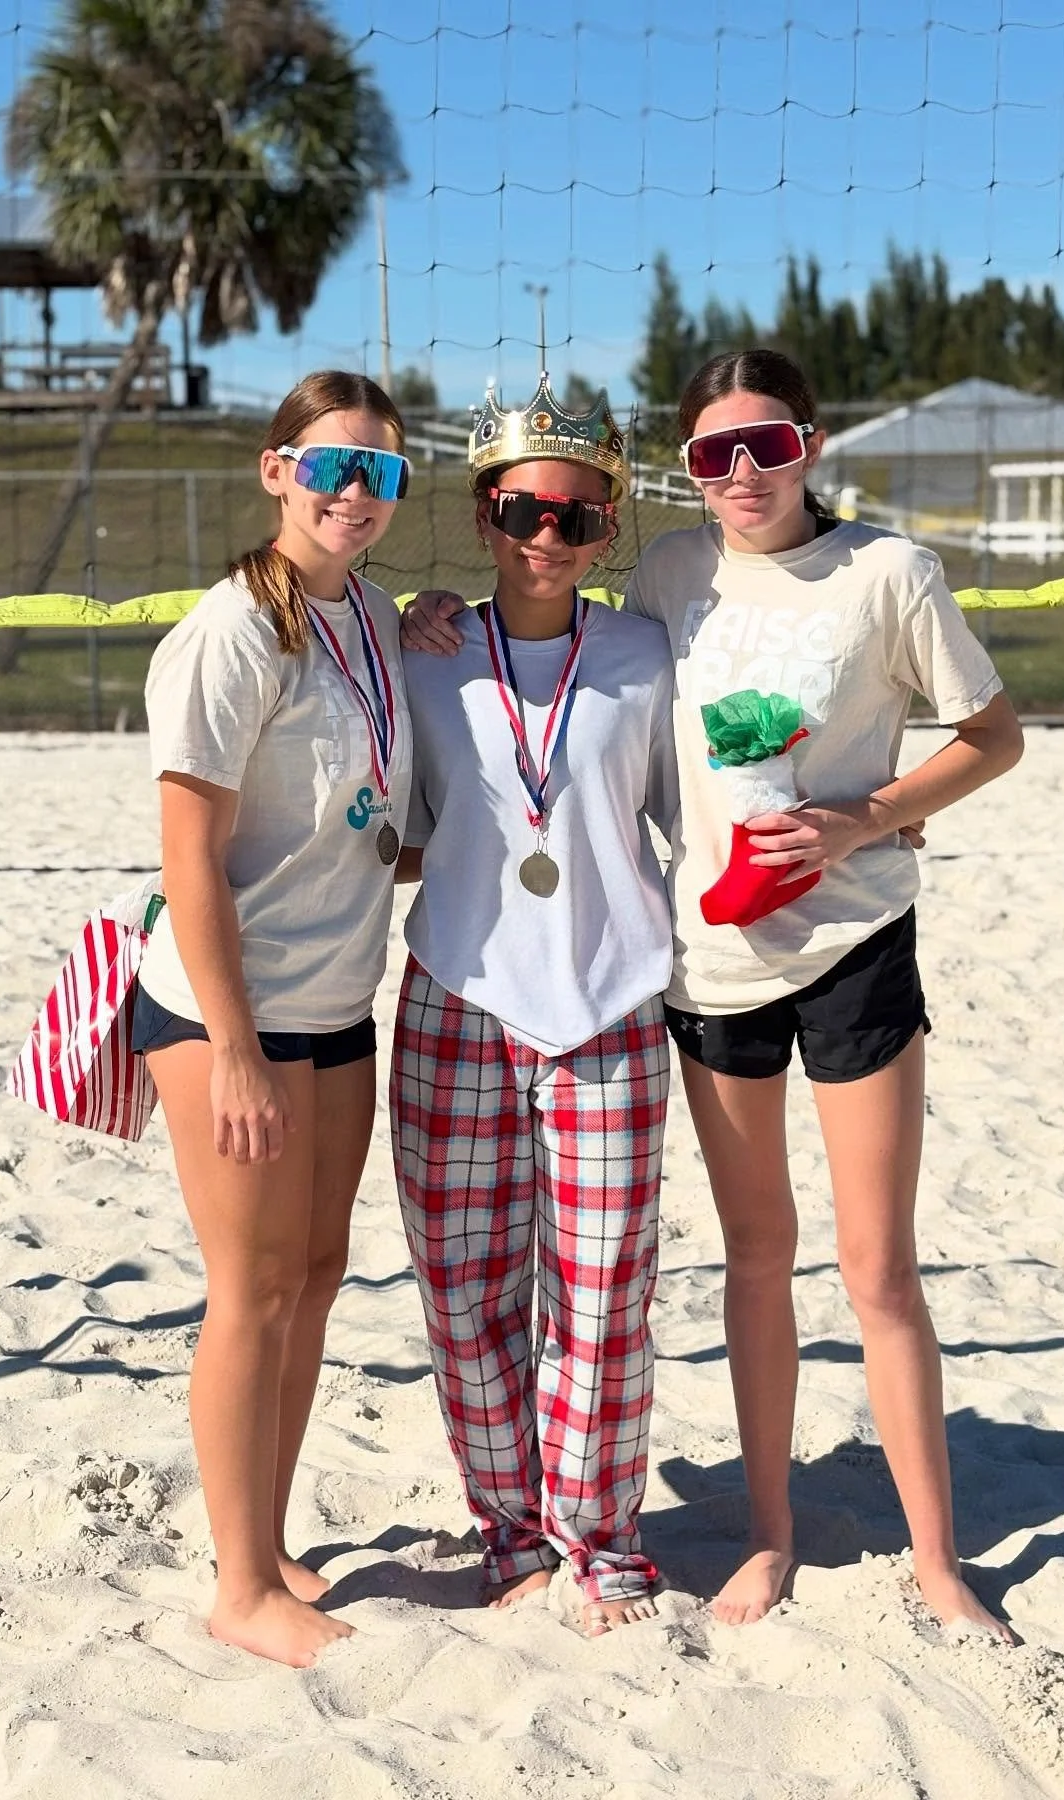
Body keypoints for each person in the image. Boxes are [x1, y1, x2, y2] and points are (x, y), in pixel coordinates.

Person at [401, 347, 1025, 1642]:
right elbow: (561, 658)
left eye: (770, 446)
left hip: (856, 949)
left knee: (877, 1268)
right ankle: (771, 1538)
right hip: (711, 962)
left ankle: (937, 1559)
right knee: (754, 1258)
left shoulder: (890, 573)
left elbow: (995, 735)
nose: (744, 473)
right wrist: (430, 614)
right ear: (686, 473)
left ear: (812, 444)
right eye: (714, 454)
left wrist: (874, 816)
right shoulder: (672, 579)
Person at [133, 369, 412, 1667]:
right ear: (275, 471)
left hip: (338, 998)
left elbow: (370, 823)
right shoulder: (232, 631)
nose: (355, 492)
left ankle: (270, 1538)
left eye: (382, 473)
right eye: (332, 466)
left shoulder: (372, 618)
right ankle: (239, 1585)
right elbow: (190, 857)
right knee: (247, 1289)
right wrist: (232, 1047)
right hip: (221, 1013)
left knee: (313, 1275)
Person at [392, 375, 679, 1636]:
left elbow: (705, 808)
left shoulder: (648, 654)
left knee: (607, 1291)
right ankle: (510, 1522)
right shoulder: (425, 651)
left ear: (609, 525)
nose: (545, 538)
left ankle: (599, 1533)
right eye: (519, 511)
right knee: (465, 1294)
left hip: (611, 1005)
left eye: (575, 517)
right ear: (484, 512)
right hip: (458, 993)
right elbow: (379, 818)